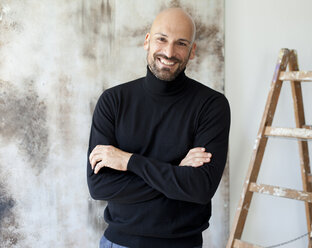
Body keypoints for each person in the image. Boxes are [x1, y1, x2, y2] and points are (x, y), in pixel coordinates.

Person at [87, 7, 230, 248]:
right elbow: (100, 186)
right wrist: (176, 171)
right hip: (119, 243)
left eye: (181, 43)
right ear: (147, 41)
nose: (169, 51)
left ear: (192, 51)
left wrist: (129, 162)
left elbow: (200, 188)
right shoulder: (113, 101)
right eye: (161, 39)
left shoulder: (211, 105)